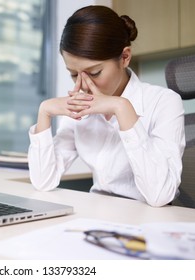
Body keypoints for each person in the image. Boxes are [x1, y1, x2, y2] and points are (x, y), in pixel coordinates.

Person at [28, 5, 185, 207]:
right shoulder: (80, 107)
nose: (83, 85)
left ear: (125, 57)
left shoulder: (164, 102)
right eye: (74, 74)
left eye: (94, 73)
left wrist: (122, 108)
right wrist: (44, 112)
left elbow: (160, 196)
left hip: (149, 222)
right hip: (99, 215)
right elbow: (43, 181)